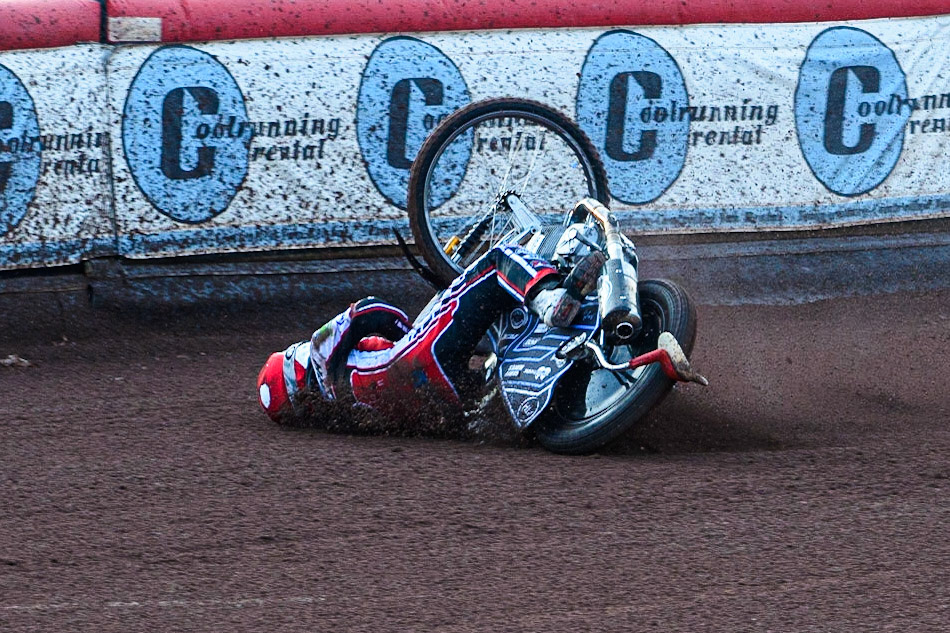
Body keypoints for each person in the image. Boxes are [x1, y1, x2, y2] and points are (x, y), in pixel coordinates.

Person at [256, 242, 606, 422]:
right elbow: (372, 310)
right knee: (496, 262)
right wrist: (411, 330)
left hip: (445, 402)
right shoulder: (318, 352)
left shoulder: (335, 417)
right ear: (291, 363)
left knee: (493, 374)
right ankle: (549, 302)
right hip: (419, 353)